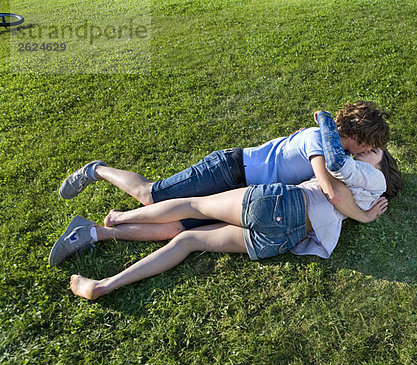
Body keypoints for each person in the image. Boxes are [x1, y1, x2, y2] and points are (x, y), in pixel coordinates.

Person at [67, 118, 402, 299]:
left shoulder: (365, 177)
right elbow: (331, 171)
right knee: (184, 234)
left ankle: (115, 220)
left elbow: (334, 189)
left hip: (275, 204)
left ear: (381, 169)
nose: (367, 153)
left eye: (374, 153)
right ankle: (103, 282)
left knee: (191, 207)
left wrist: (366, 213)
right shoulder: (358, 176)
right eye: (368, 148)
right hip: (279, 236)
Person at [49, 102, 390, 266]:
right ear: (358, 139)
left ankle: (91, 232)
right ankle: (97, 170)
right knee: (149, 195)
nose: (368, 152)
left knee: (177, 227)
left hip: (247, 196)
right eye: (370, 146)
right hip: (231, 171)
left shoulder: (340, 156)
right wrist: (364, 216)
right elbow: (330, 191)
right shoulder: (320, 142)